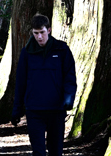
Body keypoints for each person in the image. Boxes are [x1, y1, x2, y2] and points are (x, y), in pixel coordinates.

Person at [11, 14, 76, 156]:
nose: (39, 37)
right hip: (34, 110)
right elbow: (21, 82)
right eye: (36, 33)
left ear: (49, 30)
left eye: (42, 32)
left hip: (56, 109)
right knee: (38, 151)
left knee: (56, 151)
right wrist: (17, 109)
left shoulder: (62, 50)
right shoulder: (27, 53)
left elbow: (69, 77)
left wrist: (68, 98)